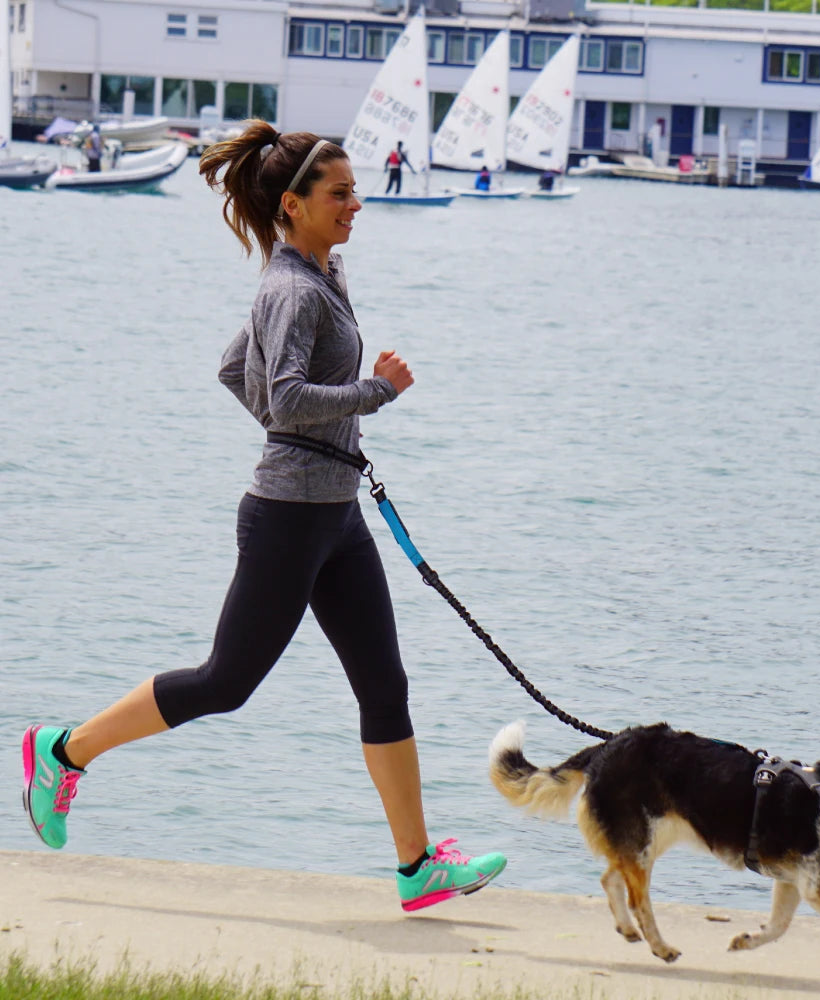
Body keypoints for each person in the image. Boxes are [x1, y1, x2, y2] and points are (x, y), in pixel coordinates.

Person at [21, 120, 507, 914]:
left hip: (335, 515)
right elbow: (282, 397)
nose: (357, 204)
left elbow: (231, 369)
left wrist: (319, 443)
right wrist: (371, 396)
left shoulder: (321, 275)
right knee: (226, 682)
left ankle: (417, 868)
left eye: (354, 191)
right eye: (340, 193)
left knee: (385, 686)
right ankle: (62, 751)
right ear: (295, 203)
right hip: (286, 517)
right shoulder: (289, 289)